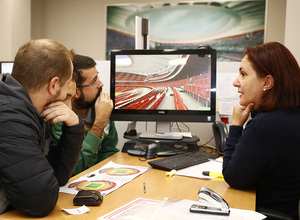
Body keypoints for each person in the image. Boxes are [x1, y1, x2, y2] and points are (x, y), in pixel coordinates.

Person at [0, 39, 84, 217]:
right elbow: (40, 201)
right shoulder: (10, 116)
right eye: (67, 81)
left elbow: (57, 176)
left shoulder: (34, 110)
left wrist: (74, 127)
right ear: (53, 85)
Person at [222, 42, 300, 219]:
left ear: (267, 82)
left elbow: (233, 177)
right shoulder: (290, 116)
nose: (236, 82)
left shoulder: (265, 126)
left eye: (243, 74)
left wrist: (235, 126)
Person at [52, 54, 119, 176]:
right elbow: (73, 169)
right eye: (94, 81)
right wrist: (98, 124)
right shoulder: (59, 117)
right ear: (76, 91)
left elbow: (109, 150)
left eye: (98, 78)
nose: (101, 84)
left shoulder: (100, 105)